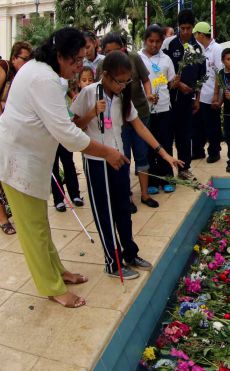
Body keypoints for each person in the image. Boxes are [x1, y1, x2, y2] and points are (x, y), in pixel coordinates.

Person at [0, 27, 129, 308]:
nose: (80, 66)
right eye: (76, 60)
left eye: (83, 59)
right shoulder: (44, 79)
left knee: (40, 226)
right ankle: (51, 286)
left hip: (28, 158)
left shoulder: (43, 71)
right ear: (59, 55)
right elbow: (69, 135)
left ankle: (58, 272)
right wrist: (108, 153)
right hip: (16, 162)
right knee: (34, 231)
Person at [72, 51, 183, 281]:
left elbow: (139, 127)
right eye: (119, 81)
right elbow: (74, 127)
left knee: (124, 210)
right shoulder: (89, 93)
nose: (123, 86)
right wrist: (93, 112)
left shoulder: (123, 97)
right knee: (105, 213)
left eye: (126, 81)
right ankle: (112, 263)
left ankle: (130, 255)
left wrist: (164, 154)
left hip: (120, 160)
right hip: (98, 163)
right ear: (105, 75)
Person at [98, 32, 155, 207]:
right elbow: (98, 91)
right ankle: (127, 196)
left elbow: (146, 80)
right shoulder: (103, 66)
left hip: (139, 112)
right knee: (123, 156)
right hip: (118, 118)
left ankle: (145, 194)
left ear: (123, 48)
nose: (114, 56)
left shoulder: (134, 59)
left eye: (117, 51)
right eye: (108, 52)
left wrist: (149, 94)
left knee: (141, 153)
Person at [0, 41, 33, 234]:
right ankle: (2, 216)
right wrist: (1, 122)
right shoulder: (3, 67)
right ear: (14, 57)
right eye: (24, 59)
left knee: (14, 168)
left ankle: (15, 210)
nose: (27, 63)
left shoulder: (22, 75)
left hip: (13, 129)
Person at [162, 10, 205, 181]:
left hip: (188, 100)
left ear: (193, 28)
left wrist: (197, 99)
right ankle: (167, 171)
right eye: (182, 28)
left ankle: (184, 169)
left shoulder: (198, 47)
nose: (185, 31)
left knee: (185, 136)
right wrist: (178, 84)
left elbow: (201, 77)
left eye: (188, 28)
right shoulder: (168, 44)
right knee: (166, 136)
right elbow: (161, 71)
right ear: (178, 27)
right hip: (168, 99)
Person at [139, 25, 176, 197]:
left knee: (165, 143)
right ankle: (152, 180)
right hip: (145, 111)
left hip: (164, 108)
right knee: (148, 147)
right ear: (145, 40)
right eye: (151, 41)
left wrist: (175, 82)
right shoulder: (138, 58)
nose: (154, 45)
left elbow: (170, 82)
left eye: (158, 41)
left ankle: (167, 179)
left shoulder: (166, 59)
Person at [50, 77, 83, 213]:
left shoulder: (62, 75)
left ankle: (75, 194)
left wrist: (74, 96)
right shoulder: (43, 74)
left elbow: (66, 91)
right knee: (53, 165)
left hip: (64, 121)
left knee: (68, 161)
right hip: (50, 123)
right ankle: (59, 200)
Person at [192, 22, 222, 163]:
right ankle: (198, 151)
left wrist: (216, 95)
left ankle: (214, 152)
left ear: (201, 35)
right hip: (200, 94)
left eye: (195, 34)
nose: (194, 37)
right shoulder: (198, 49)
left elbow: (219, 74)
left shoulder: (217, 49)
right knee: (198, 125)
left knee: (212, 126)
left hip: (211, 94)